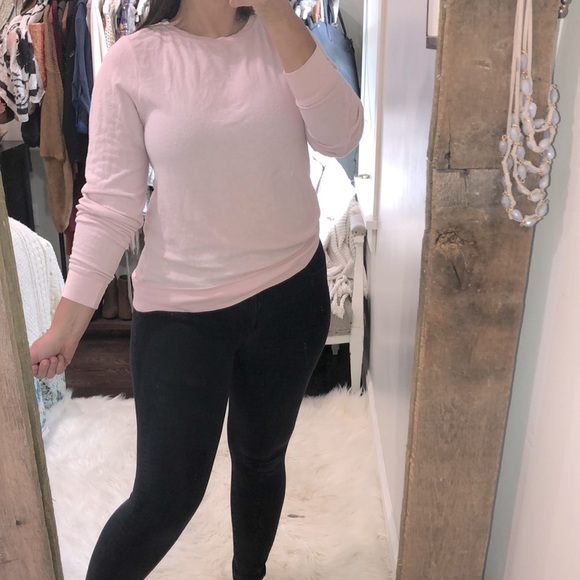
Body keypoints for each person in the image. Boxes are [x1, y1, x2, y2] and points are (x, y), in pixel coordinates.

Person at [29, 0, 363, 578]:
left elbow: (341, 135)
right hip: (181, 313)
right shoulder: (134, 61)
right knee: (164, 498)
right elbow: (110, 204)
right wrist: (67, 325)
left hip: (291, 294)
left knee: (262, 458)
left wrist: (277, 14)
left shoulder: (285, 34)